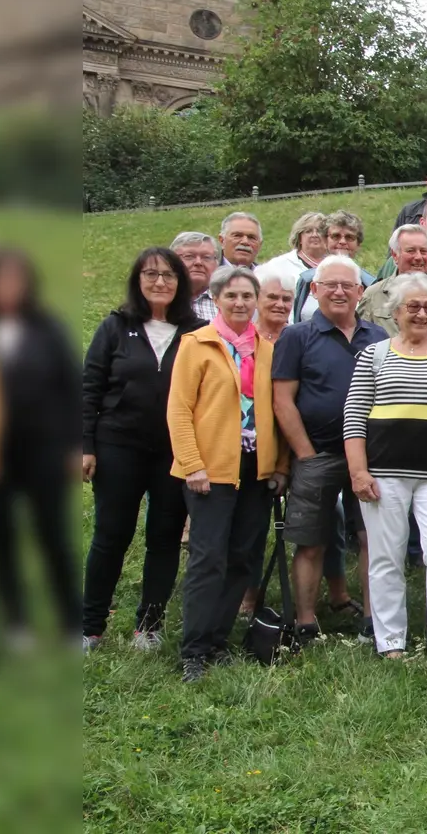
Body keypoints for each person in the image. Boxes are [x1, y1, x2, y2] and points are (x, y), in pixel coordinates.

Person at [343, 273, 427, 665]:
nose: (421, 314)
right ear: (395, 312)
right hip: (382, 476)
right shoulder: (374, 355)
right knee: (386, 557)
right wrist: (358, 471)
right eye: (413, 307)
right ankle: (390, 642)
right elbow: (354, 417)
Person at [168, 265, 288, 682]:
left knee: (242, 557)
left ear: (257, 302)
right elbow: (179, 410)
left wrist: (280, 466)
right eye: (231, 296)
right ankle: (194, 649)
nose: (240, 303)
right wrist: (192, 464)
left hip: (256, 469)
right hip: (211, 469)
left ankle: (217, 641)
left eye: (247, 296)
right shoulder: (197, 344)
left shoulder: (267, 349)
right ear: (216, 299)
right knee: (208, 559)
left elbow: (276, 411)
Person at [82, 248, 203, 653]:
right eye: (150, 274)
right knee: (110, 535)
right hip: (118, 445)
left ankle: (148, 626)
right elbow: (89, 387)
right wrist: (84, 445)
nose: (159, 282)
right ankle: (89, 627)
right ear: (137, 280)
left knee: (164, 538)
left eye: (168, 275)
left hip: (174, 451)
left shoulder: (197, 332)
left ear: (180, 283)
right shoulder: (116, 327)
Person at [270, 255, 387, 642]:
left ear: (360, 291)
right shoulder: (296, 336)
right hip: (317, 454)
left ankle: (373, 618)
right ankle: (305, 620)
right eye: (330, 285)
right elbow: (283, 401)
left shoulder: (377, 337)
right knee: (310, 540)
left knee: (371, 539)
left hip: (369, 458)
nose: (339, 291)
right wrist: (304, 453)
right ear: (315, 290)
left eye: (347, 285)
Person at [0, 249, 80, 649]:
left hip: (44, 450)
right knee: (2, 540)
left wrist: (75, 444)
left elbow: (71, 388)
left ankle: (71, 621)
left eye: (15, 280)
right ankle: (16, 622)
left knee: (53, 536)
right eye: (0, 280)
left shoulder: (48, 328)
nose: (8, 288)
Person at [354, 226, 427, 335]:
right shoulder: (373, 296)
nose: (418, 257)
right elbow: (360, 339)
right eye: (411, 251)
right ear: (395, 255)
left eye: (423, 251)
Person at [292, 211, 375, 323]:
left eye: (349, 237)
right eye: (336, 236)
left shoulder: (369, 285)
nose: (342, 241)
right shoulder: (306, 281)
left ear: (358, 244)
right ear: (325, 241)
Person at [259, 212, 328, 284]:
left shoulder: (333, 261)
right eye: (308, 231)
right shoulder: (280, 264)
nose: (315, 235)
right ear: (299, 238)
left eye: (320, 231)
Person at [171, 231, 221, 321]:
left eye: (206, 257)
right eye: (189, 256)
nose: (198, 262)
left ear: (216, 265)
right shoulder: (162, 299)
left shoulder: (226, 302)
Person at [254, 266, 296, 343]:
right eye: (272, 297)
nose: (280, 305)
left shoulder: (300, 339)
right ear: (256, 299)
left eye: (286, 299)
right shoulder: (242, 335)